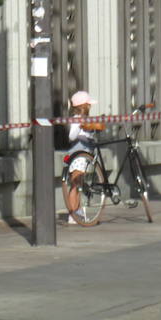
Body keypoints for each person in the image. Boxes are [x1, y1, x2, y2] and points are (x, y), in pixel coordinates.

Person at [64, 90, 105, 224]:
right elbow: (71, 136)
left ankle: (77, 210)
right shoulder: (77, 119)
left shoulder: (85, 119)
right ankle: (72, 213)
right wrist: (80, 126)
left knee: (79, 183)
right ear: (83, 106)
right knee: (75, 184)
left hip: (86, 152)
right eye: (88, 105)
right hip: (78, 152)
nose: (90, 107)